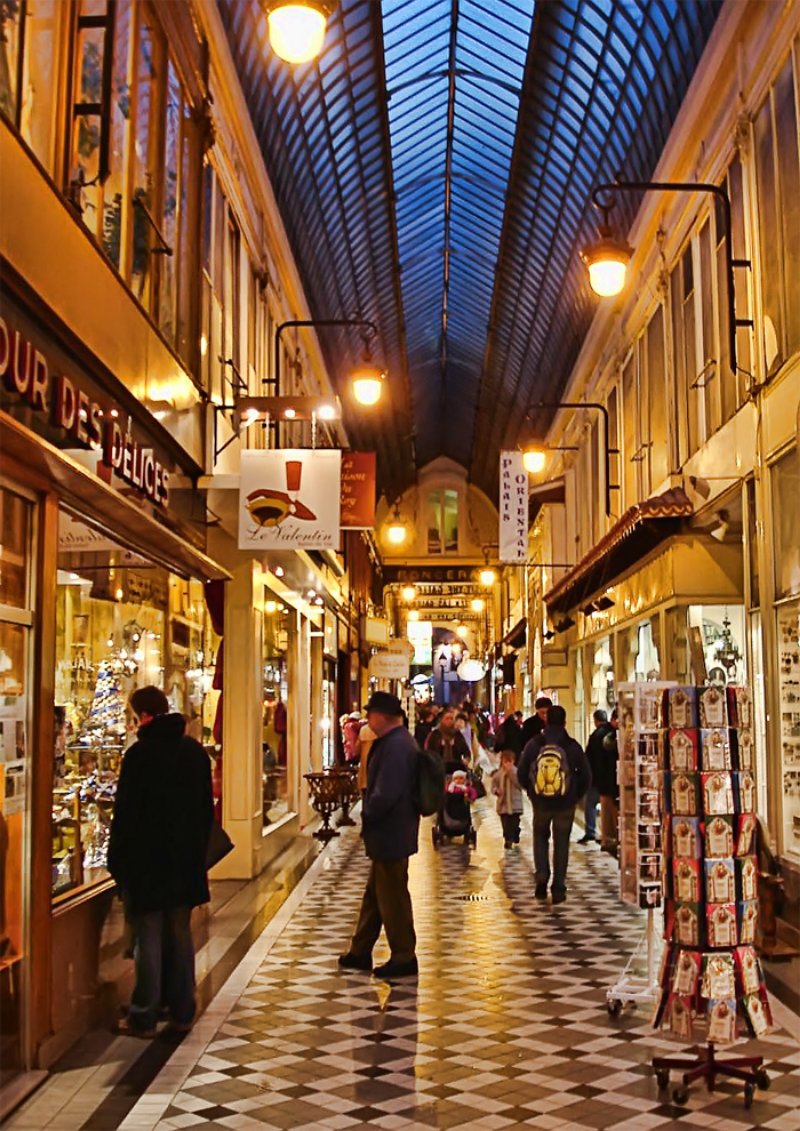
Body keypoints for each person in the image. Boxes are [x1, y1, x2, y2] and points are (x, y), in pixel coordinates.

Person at [108, 686, 213, 1037]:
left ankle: (144, 1013)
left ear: (144, 716)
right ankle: (183, 1007)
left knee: (147, 939)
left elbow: (125, 817)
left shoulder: (139, 757)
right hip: (184, 862)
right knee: (180, 936)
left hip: (147, 864)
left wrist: (118, 864)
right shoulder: (194, 753)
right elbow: (204, 812)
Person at [339, 691, 420, 979]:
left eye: (371, 713)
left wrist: (368, 813)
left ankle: (404, 956)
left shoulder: (397, 746)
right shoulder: (393, 741)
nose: (368, 718)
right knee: (376, 895)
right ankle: (360, 951)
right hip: (390, 832)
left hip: (392, 832)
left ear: (382, 717)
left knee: (393, 896)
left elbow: (386, 792)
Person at [517, 704, 591, 904]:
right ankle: (558, 887)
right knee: (562, 843)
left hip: (541, 803)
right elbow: (586, 775)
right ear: (565, 722)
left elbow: (522, 772)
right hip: (565, 803)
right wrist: (575, 796)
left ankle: (542, 874)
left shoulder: (535, 744)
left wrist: (533, 793)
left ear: (546, 720)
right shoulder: (572, 745)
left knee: (540, 837)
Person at [578, 709, 612, 845]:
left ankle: (591, 831)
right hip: (610, 778)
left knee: (590, 804)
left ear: (596, 720)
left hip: (596, 778)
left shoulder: (595, 736)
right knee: (607, 806)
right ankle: (606, 834)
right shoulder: (612, 733)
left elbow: (588, 758)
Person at [596, 708, 620, 856]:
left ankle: (609, 840)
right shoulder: (609, 737)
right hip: (610, 783)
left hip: (605, 783)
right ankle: (612, 841)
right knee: (612, 816)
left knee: (608, 816)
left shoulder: (599, 735)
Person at [491, 749, 524, 849]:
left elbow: (520, 784)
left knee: (514, 823)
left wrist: (510, 773)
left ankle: (516, 833)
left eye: (510, 761)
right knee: (506, 824)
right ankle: (507, 839)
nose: (508, 764)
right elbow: (493, 786)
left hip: (515, 804)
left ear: (513, 761)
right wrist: (496, 791)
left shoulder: (517, 772)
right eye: (506, 761)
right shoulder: (498, 774)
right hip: (503, 804)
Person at [426, 707, 471, 772]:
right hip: (438, 769)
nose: (450, 721)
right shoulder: (435, 734)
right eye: (447, 718)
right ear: (442, 720)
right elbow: (429, 751)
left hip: (456, 769)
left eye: (451, 719)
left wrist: (466, 759)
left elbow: (466, 751)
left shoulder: (457, 734)